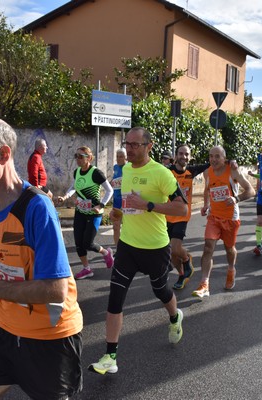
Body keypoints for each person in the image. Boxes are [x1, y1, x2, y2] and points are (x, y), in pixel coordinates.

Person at [0, 117, 83, 399]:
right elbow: (11, 233)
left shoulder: (37, 208)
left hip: (49, 339)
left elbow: (55, 290)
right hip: (3, 330)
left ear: (3, 155)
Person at [89, 127, 188, 375]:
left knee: (161, 290)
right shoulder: (126, 171)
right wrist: (118, 213)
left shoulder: (161, 173)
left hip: (155, 247)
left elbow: (182, 209)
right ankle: (110, 356)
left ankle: (175, 317)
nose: (129, 149)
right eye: (127, 143)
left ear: (149, 146)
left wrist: (149, 205)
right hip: (128, 247)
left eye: (135, 145)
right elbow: (129, 204)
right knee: (115, 298)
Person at [191, 145, 255, 297]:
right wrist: (206, 205)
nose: (213, 159)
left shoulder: (233, 171)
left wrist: (236, 198)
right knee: (208, 247)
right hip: (214, 217)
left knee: (229, 249)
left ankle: (231, 269)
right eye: (211, 156)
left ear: (224, 158)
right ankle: (204, 283)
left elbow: (251, 190)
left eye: (217, 156)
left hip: (231, 217)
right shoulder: (207, 172)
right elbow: (207, 190)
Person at [57, 146, 114, 279]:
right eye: (76, 156)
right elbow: (74, 186)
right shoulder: (77, 172)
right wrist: (65, 196)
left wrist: (101, 205)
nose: (77, 159)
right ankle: (86, 268)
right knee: (78, 243)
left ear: (88, 158)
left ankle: (106, 253)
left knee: (88, 243)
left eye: (81, 156)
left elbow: (110, 190)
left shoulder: (96, 173)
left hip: (94, 213)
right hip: (80, 211)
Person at [167, 144, 209, 290]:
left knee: (175, 247)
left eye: (186, 154)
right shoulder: (167, 172)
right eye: (181, 153)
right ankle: (182, 273)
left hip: (182, 216)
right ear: (176, 155)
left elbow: (211, 164)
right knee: (172, 254)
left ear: (190, 157)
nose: (183, 157)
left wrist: (230, 162)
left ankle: (186, 259)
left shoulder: (191, 171)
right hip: (166, 217)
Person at [111, 148, 127, 245]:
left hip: (126, 201)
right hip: (116, 201)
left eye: (121, 156)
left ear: (126, 157)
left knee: (127, 227)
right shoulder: (115, 167)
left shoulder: (129, 167)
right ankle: (118, 249)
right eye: (117, 156)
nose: (118, 158)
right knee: (116, 226)